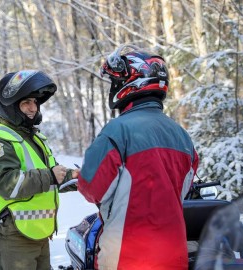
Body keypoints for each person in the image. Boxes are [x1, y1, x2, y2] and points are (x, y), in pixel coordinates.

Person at [77, 45, 199, 270]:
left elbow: (91, 188)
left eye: (114, 82)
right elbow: (182, 190)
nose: (112, 88)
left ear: (127, 84)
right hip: (174, 255)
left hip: (126, 257)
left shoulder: (116, 132)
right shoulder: (183, 136)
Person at [0, 70, 78, 270]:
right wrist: (50, 176)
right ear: (10, 105)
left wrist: (78, 178)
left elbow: (53, 174)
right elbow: (8, 184)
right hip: (14, 234)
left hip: (39, 231)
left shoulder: (34, 138)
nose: (33, 108)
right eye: (26, 103)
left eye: (35, 102)